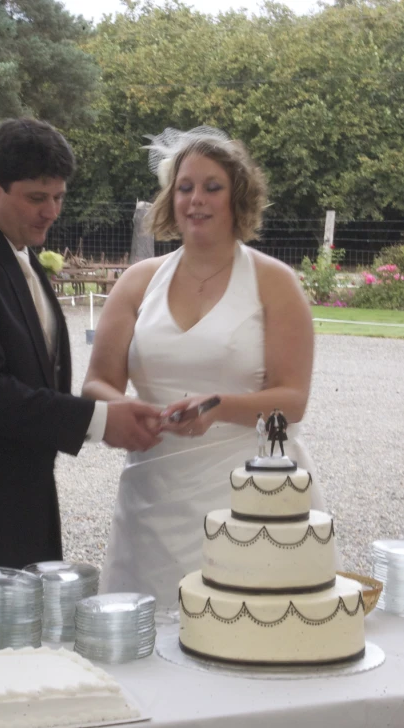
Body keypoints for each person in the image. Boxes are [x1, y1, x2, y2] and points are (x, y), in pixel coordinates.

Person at [0, 117, 161, 621]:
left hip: (23, 500)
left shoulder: (20, 255)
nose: (52, 212)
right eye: (38, 198)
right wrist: (100, 420)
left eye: (58, 197)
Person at [82, 125, 328, 615]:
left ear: (239, 197)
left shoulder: (274, 282)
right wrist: (125, 408)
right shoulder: (138, 282)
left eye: (212, 187)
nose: (196, 200)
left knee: (245, 628)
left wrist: (218, 409)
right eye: (184, 187)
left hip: (246, 494)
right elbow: (96, 382)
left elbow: (293, 399)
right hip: (151, 492)